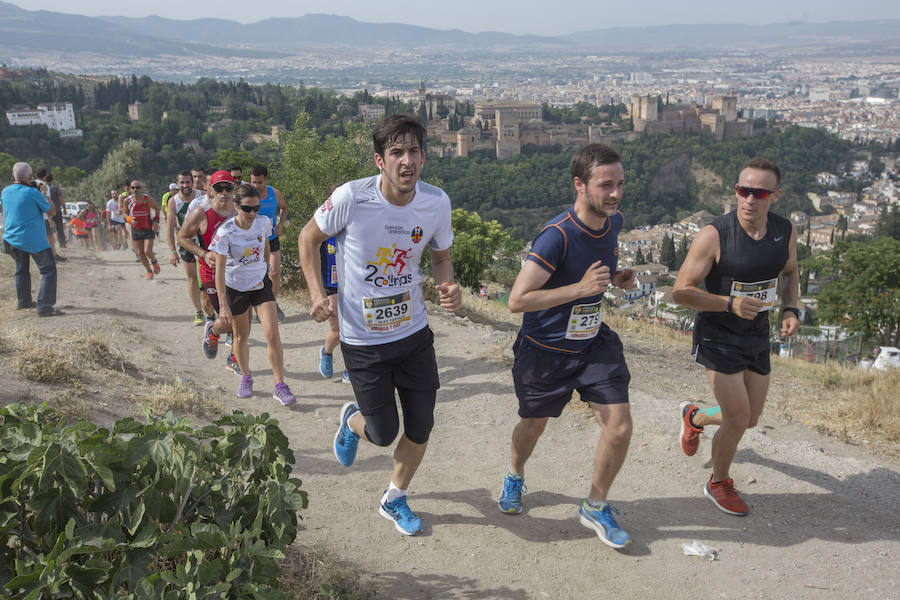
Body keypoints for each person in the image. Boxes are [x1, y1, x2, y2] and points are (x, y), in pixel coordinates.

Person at [298, 114, 461, 536]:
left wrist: (448, 287)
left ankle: (394, 497)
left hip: (413, 334)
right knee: (383, 433)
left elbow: (441, 257)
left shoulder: (436, 203)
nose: (406, 161)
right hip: (363, 339)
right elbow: (307, 239)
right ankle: (353, 420)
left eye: (413, 152)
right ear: (379, 160)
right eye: (396, 153)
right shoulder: (352, 197)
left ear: (424, 157)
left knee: (422, 425)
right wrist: (317, 294)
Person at [497, 143, 636, 549]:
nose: (614, 194)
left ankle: (595, 504)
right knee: (534, 425)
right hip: (544, 350)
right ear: (580, 184)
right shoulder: (555, 237)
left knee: (620, 427)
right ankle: (515, 475)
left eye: (620, 184)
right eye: (605, 185)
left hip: (592, 344)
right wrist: (579, 288)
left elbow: (595, 274)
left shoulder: (613, 222)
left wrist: (615, 278)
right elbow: (516, 301)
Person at [672, 157, 800, 517]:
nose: (749, 199)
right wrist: (728, 303)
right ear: (736, 191)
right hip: (718, 335)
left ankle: (694, 418)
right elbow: (680, 292)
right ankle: (718, 482)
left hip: (757, 334)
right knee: (739, 416)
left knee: (750, 418)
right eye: (743, 190)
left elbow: (790, 272)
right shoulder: (714, 235)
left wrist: (792, 309)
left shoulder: (784, 231)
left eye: (758, 192)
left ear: (774, 195)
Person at [209, 183, 296, 403]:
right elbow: (218, 271)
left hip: (260, 285)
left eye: (256, 207)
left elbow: (266, 246)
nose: (253, 213)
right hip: (235, 288)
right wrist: (223, 306)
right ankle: (246, 376)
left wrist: (264, 271)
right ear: (236, 206)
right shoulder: (225, 232)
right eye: (247, 208)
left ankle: (280, 385)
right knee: (241, 336)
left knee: (272, 333)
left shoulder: (263, 223)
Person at [177, 170, 241, 374]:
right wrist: (203, 254)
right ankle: (213, 332)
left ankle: (234, 358)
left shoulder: (241, 212)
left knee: (240, 318)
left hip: (237, 272)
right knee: (225, 318)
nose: (224, 192)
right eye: (219, 188)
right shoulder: (200, 212)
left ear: (234, 189)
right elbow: (182, 237)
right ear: (210, 189)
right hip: (210, 271)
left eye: (228, 188)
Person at [1, 162, 61, 316]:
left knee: (21, 271)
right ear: (29, 177)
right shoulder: (33, 193)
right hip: (33, 239)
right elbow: (52, 211)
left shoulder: (5, 191)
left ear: (13, 176)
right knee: (48, 270)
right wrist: (44, 194)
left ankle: (24, 302)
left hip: (11, 238)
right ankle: (45, 307)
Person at [250, 165, 288, 322]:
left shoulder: (274, 193)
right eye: (253, 182)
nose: (256, 186)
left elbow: (284, 208)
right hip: (253, 242)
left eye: (259, 182)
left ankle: (271, 302)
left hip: (271, 239)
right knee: (257, 275)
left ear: (266, 180)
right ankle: (258, 305)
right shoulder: (248, 195)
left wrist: (280, 225)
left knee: (274, 273)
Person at [167, 170, 205, 325]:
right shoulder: (173, 201)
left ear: (192, 182)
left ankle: (212, 307)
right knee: (192, 278)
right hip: (186, 242)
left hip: (204, 242)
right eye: (182, 182)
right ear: (178, 184)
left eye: (187, 182)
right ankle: (198, 312)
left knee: (208, 278)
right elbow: (169, 228)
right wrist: (172, 252)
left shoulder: (201, 196)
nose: (185, 185)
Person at [317, 235, 349, 383]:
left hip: (353, 284)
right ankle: (327, 352)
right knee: (338, 331)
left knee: (359, 329)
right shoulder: (325, 227)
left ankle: (351, 368)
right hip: (331, 285)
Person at [120, 180, 161, 279]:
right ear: (130, 189)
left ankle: (154, 261)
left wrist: (156, 221)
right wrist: (129, 219)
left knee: (147, 251)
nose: (135, 190)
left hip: (148, 228)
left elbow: (157, 208)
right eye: (133, 188)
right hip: (136, 229)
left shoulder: (147, 199)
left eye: (137, 187)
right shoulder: (127, 200)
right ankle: (149, 271)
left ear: (141, 188)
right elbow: (124, 212)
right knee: (140, 253)